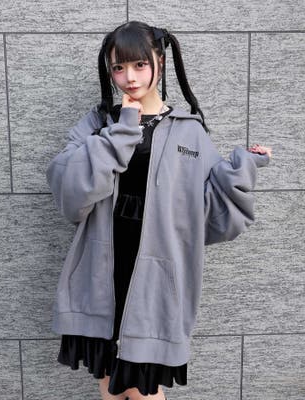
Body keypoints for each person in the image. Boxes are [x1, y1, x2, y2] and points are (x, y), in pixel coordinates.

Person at [46, 21, 272, 400]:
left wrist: (244, 165)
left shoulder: (188, 131)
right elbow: (70, 191)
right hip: (103, 265)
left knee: (141, 386)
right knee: (109, 380)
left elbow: (212, 209)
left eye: (139, 65)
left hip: (155, 269)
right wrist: (122, 128)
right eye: (119, 67)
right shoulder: (98, 124)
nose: (130, 78)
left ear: (160, 63)